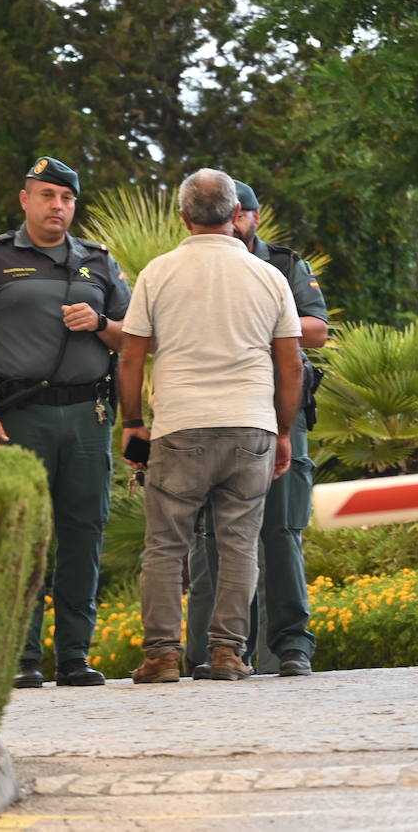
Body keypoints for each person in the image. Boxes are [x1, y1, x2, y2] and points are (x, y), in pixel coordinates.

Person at [119, 169, 303, 684]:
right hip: (250, 426)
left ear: (184, 216)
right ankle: (227, 653)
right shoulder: (269, 277)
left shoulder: (158, 273)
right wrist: (283, 432)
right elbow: (291, 365)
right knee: (240, 543)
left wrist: (132, 421)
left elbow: (131, 357)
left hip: (180, 425)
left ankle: (161, 655)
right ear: (233, 216)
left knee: (164, 544)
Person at [0, 156, 132, 689]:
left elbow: (133, 339)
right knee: (25, 535)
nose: (57, 207)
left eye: (66, 199)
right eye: (47, 196)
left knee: (83, 533)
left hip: (88, 416)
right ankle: (21, 657)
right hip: (20, 419)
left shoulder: (99, 262)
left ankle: (74, 656)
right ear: (25, 199)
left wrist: (101, 322)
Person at [184, 180, 328, 680]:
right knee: (213, 538)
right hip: (216, 412)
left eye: (243, 213)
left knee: (280, 531)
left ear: (254, 217)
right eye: (229, 213)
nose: (236, 221)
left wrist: (260, 321)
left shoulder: (284, 265)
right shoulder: (195, 266)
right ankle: (217, 649)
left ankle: (291, 646)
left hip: (280, 410)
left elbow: (317, 329)